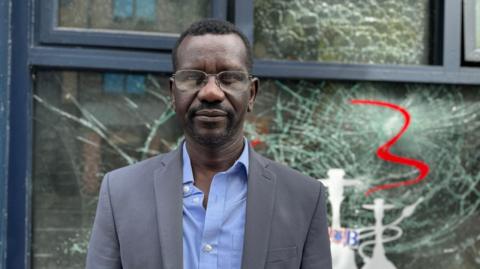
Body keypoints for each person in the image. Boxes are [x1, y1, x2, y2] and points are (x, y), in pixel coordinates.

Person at [86, 19, 332, 269]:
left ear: (252, 93)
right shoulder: (120, 192)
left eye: (230, 78)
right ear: (173, 93)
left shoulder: (304, 198)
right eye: (194, 78)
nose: (211, 93)